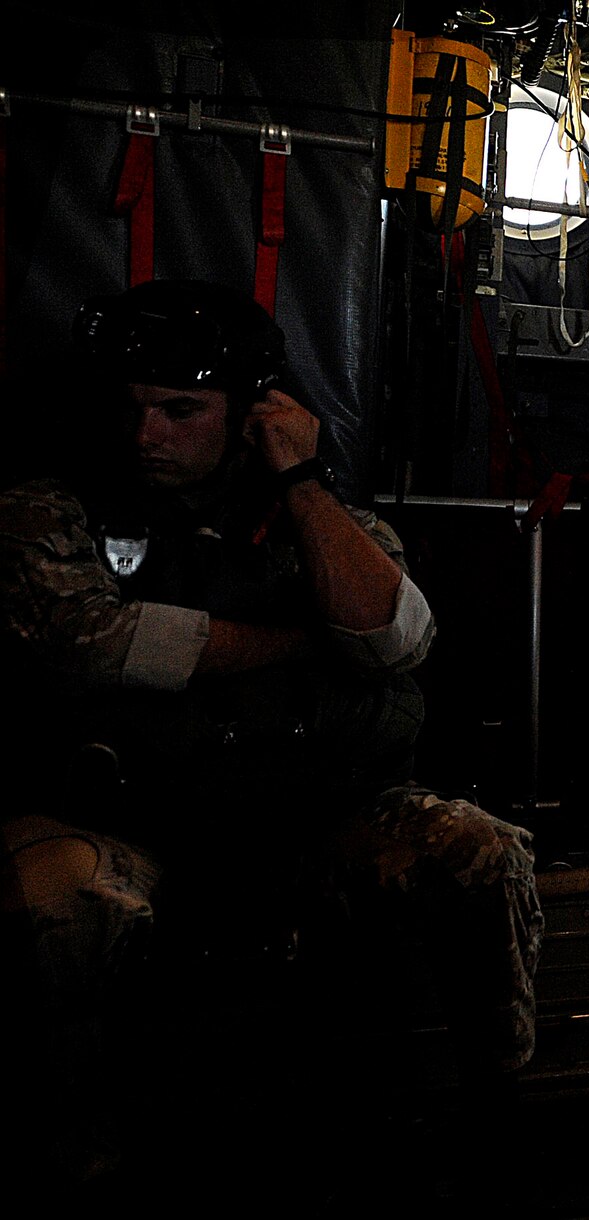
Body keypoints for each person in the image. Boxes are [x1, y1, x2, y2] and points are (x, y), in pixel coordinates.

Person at [0, 279, 544, 1197]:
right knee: (50, 897)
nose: (149, 435)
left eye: (182, 410)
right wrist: (302, 642)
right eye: (134, 409)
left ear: (251, 413)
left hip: (302, 816)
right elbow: (88, 644)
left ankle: (492, 1099)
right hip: (130, 819)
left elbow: (397, 637)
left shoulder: (308, 517)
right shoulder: (52, 508)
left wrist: (298, 481)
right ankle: (79, 1145)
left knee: (475, 853)